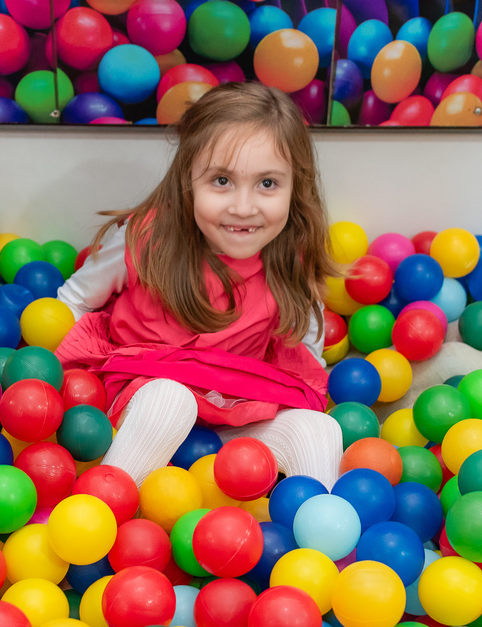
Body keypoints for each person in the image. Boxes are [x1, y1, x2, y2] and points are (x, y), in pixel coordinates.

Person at [56, 82, 345, 489]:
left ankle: (322, 552)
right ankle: (100, 519)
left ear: (296, 187)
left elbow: (306, 353)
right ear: (187, 179)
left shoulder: (290, 252)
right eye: (222, 181)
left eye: (267, 184)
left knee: (320, 430)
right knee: (169, 400)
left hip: (229, 409)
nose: (243, 208)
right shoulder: (144, 238)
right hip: (137, 401)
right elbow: (73, 302)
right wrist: (48, 381)